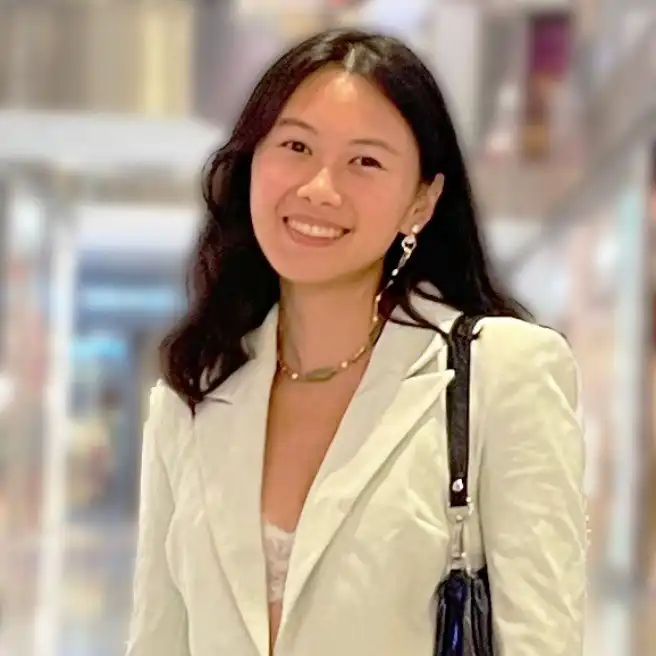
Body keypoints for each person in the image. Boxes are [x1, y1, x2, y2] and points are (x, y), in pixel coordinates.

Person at [126, 28, 587, 656]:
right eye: (296, 146)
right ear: (251, 162)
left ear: (421, 201)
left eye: (365, 161)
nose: (320, 187)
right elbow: (157, 641)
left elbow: (543, 640)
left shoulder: (503, 373)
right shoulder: (192, 395)